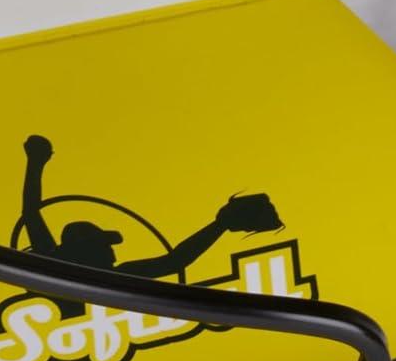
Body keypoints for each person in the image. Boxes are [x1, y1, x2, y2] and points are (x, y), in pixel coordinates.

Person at [20, 132, 283, 316]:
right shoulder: (57, 271)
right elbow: (31, 214)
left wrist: (219, 226)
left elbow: (174, 261)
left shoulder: (118, 277)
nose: (112, 250)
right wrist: (35, 163)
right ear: (82, 251)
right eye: (103, 245)